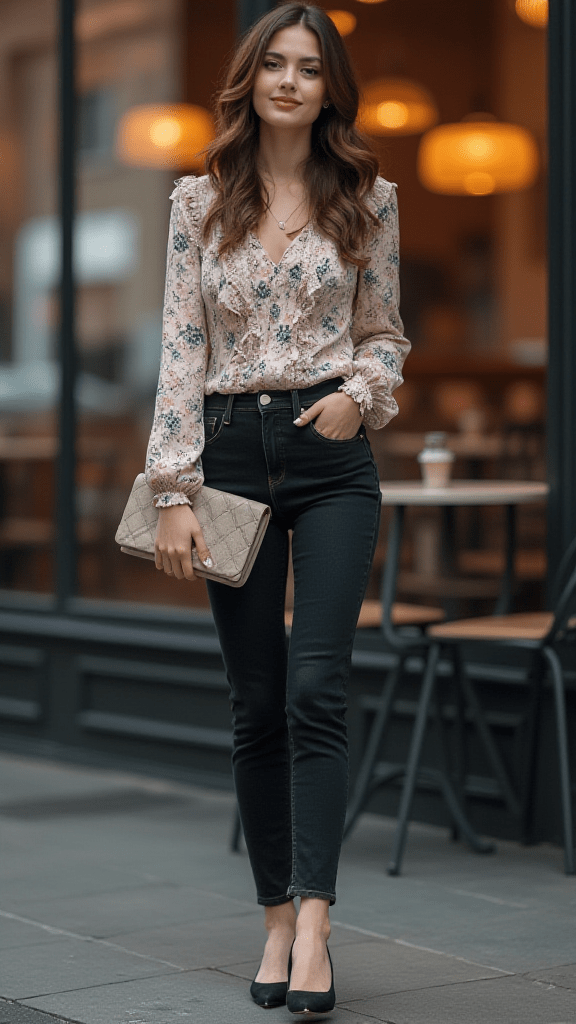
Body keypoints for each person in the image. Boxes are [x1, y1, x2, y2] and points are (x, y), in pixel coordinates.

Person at [145, 2, 410, 1015]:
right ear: (251, 79)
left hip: (333, 455)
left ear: (330, 87)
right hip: (227, 454)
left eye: (310, 67)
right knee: (255, 700)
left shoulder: (370, 199)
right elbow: (180, 350)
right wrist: (176, 490)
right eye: (276, 64)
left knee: (316, 689)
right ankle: (270, 915)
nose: (292, 80)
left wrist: (361, 395)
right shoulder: (196, 200)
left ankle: (317, 920)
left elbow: (385, 332)